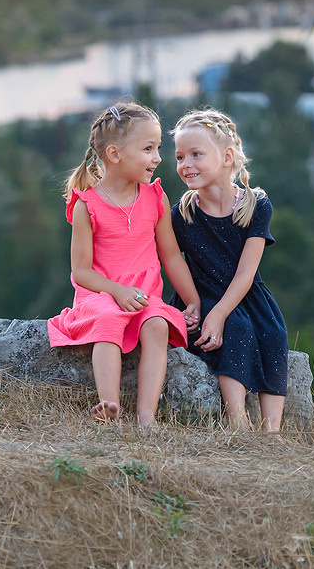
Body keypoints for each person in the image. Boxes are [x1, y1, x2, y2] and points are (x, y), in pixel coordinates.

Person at [48, 102, 201, 426]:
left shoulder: (154, 197)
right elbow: (81, 271)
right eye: (148, 149)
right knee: (107, 320)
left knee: (157, 325)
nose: (158, 157)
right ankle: (109, 403)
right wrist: (116, 291)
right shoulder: (86, 205)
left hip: (144, 296)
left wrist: (192, 300)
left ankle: (147, 416)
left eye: (158, 147)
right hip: (102, 294)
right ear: (115, 154)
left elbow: (171, 256)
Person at [170, 108, 288, 432]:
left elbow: (247, 273)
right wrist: (200, 308)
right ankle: (238, 421)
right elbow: (171, 260)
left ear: (226, 156)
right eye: (180, 157)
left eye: (196, 154)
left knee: (273, 332)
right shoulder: (182, 215)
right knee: (236, 328)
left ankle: (271, 430)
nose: (185, 164)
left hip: (243, 291)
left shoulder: (256, 206)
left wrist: (221, 312)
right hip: (202, 293)